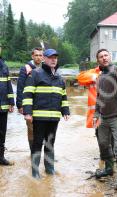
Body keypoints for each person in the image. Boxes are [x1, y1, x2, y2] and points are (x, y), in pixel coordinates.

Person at [22, 49, 70, 179]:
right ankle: (35, 172)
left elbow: (63, 96)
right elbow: (27, 94)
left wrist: (65, 110)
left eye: (55, 57)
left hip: (54, 118)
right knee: (37, 143)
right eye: (50, 57)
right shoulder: (35, 74)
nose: (53, 59)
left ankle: (50, 169)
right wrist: (27, 112)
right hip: (39, 117)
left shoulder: (59, 78)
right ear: (44, 59)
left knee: (50, 143)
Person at [93, 49, 117, 191]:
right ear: (98, 60)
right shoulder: (100, 77)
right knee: (102, 143)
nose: (104, 58)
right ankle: (108, 168)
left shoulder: (115, 71)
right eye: (101, 56)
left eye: (106, 55)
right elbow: (99, 97)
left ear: (110, 57)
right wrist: (96, 114)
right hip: (103, 116)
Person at [16, 47, 43, 151]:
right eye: (36, 55)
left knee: (43, 129)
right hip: (29, 104)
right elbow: (20, 86)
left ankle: (42, 152)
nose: (38, 58)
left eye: (40, 55)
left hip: (42, 104)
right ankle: (33, 152)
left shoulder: (45, 68)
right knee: (31, 129)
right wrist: (20, 104)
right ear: (32, 56)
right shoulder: (26, 68)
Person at [0, 52, 15, 165]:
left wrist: (11, 102)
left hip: (3, 106)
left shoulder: (4, 66)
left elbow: (9, 85)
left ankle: (1, 158)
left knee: (1, 133)